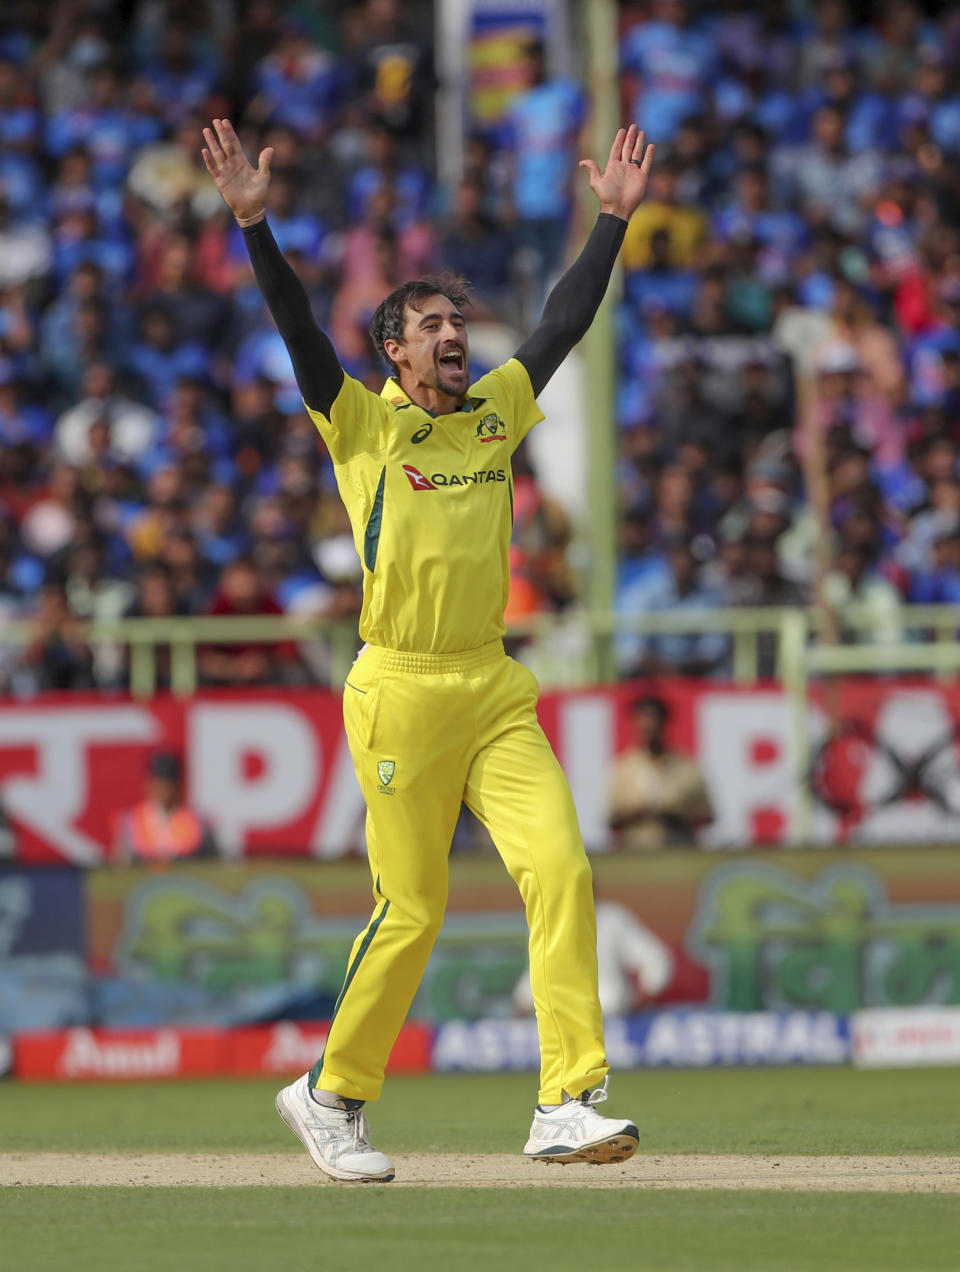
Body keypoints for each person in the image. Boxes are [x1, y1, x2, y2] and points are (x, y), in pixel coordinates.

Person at [202, 116, 654, 1182]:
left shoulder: (498, 410)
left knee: (562, 866)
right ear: (396, 351)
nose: (455, 333)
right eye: (431, 323)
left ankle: (565, 1099)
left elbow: (563, 322)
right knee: (413, 910)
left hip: (493, 687)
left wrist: (613, 221)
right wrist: (255, 225)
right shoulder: (361, 424)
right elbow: (301, 330)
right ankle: (330, 1095)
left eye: (458, 319)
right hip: (397, 684)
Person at [608, 695, 714, 851]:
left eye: (654, 725)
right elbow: (612, 819)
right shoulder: (624, 769)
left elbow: (708, 815)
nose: (650, 731)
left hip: (680, 852)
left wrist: (678, 816)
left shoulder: (686, 767)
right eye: (645, 726)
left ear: (664, 724)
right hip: (637, 854)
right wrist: (638, 813)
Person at [113, 749, 217, 864]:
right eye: (158, 782)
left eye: (168, 783)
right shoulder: (131, 822)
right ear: (148, 783)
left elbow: (212, 865)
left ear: (177, 785)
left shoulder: (198, 824)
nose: (163, 790)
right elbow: (119, 867)